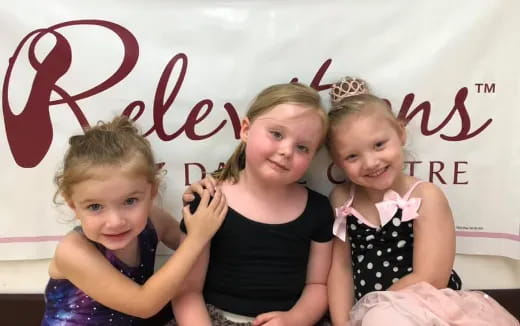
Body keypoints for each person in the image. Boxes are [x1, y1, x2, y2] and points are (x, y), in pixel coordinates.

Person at [326, 77, 519, 326]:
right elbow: (340, 269)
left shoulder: (425, 196)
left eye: (379, 145)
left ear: (401, 133)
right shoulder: (342, 199)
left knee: (383, 318)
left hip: (425, 309)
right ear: (337, 161)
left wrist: (371, 310)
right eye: (352, 156)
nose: (371, 162)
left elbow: (432, 277)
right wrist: (344, 323)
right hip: (371, 318)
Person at [172, 82, 335, 326]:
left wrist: (295, 319)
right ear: (246, 129)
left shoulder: (318, 210)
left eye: (302, 147)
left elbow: (318, 284)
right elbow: (187, 290)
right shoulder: (208, 201)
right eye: (277, 134)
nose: (286, 151)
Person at [41, 116, 227, 326]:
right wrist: (197, 238)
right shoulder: (73, 251)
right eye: (95, 207)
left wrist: (204, 200)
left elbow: (195, 248)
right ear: (74, 205)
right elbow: (144, 304)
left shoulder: (154, 220)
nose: (115, 221)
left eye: (130, 201)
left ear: (152, 192)